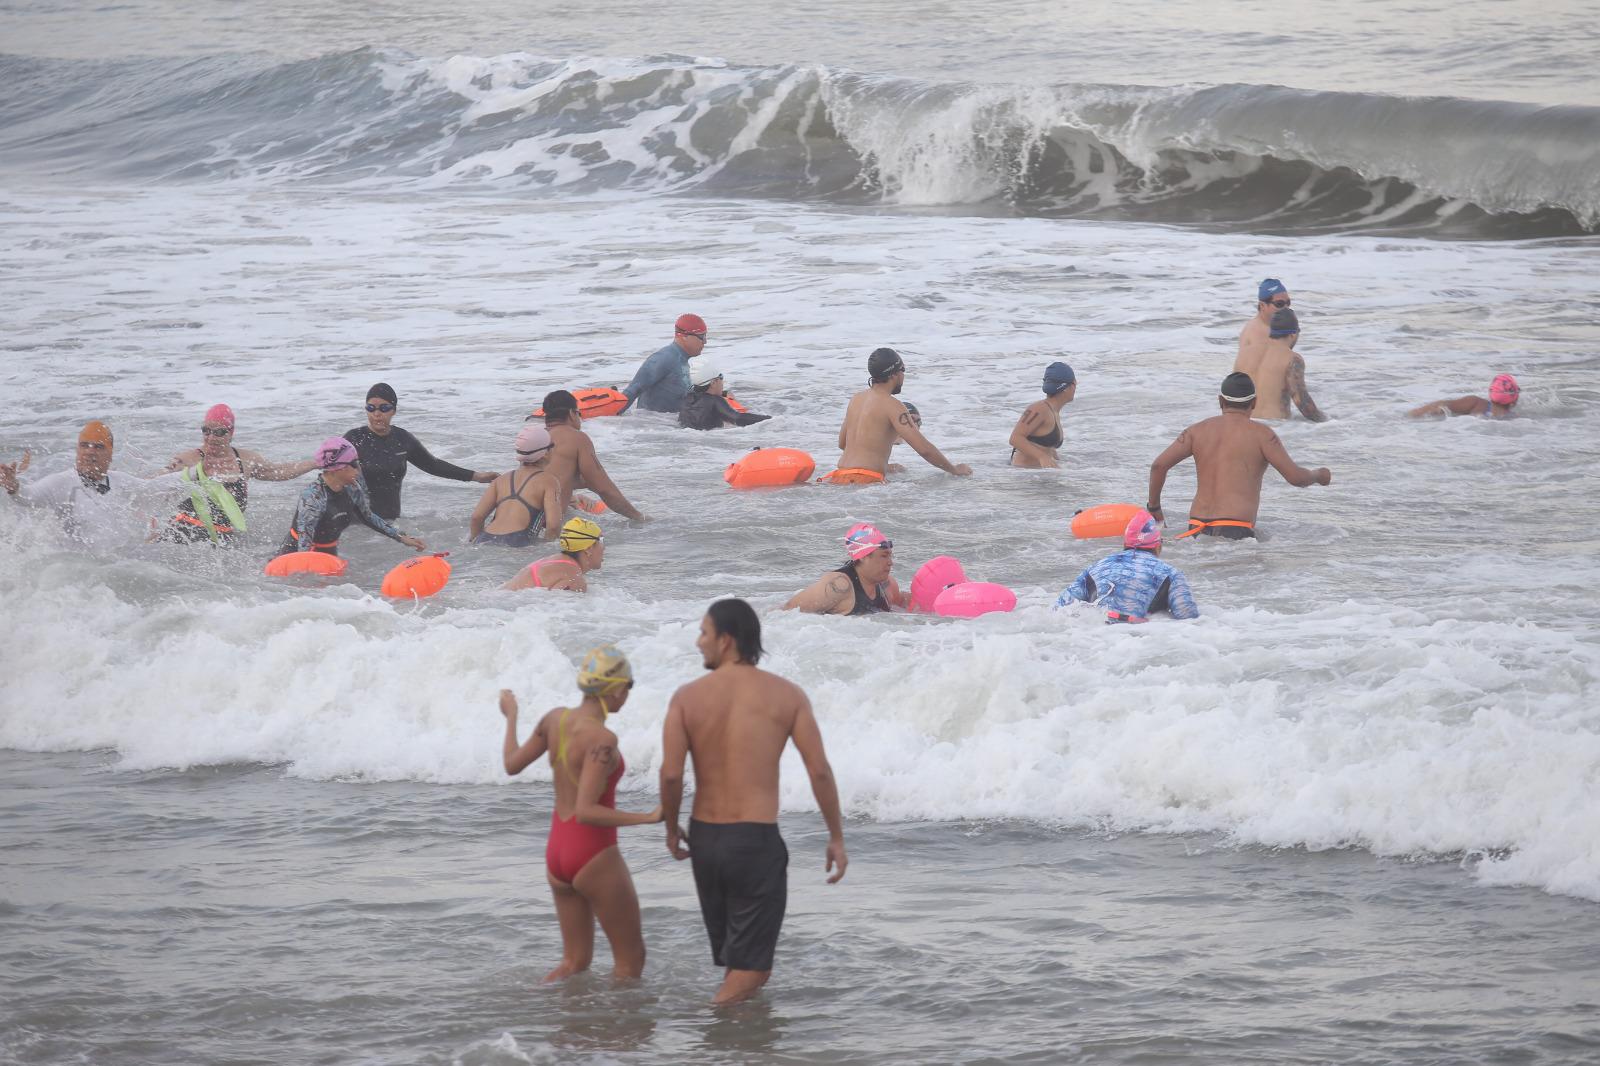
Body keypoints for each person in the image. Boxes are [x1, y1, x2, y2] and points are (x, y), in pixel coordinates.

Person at [659, 599, 847, 1005]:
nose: (698, 643)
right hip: (754, 841)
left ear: (726, 641)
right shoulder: (786, 696)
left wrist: (672, 828)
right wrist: (836, 836)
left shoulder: (687, 698)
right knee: (754, 968)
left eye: (704, 633)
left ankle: (734, 1046)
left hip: (706, 841)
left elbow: (671, 774)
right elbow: (819, 771)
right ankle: (708, 1029)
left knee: (738, 957)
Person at [500, 645, 662, 981]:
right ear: (616, 689)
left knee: (574, 962)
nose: (628, 693)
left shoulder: (554, 719)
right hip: (593, 853)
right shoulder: (602, 739)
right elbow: (587, 811)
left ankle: (557, 1029)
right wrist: (647, 817)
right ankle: (623, 1035)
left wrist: (512, 715)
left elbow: (511, 764)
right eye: (629, 686)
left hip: (557, 852)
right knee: (631, 962)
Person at [1147, 372, 1332, 540]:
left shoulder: (1196, 431)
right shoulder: (1262, 435)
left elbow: (1159, 466)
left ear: (1220, 401)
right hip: (1236, 530)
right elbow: (1296, 478)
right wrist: (1318, 475)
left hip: (1195, 529)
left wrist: (1154, 508)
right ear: (1254, 403)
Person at [1, 420, 189, 548]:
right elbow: (29, 496)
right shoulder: (61, 482)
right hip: (76, 570)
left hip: (114, 565)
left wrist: (197, 473)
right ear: (77, 450)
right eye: (84, 445)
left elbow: (153, 487)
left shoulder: (119, 480)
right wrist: (13, 486)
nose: (90, 452)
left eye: (98, 447)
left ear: (110, 454)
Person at [158, 403, 317, 544]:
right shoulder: (189, 458)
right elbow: (155, 484)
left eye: (219, 432)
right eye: (206, 431)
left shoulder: (246, 459)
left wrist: (314, 464)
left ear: (231, 432)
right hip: (183, 533)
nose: (211, 437)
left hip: (222, 536)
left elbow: (278, 471)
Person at [344, 383, 497, 521]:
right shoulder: (353, 439)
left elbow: (433, 465)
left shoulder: (402, 439)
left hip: (390, 523)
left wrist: (476, 476)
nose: (377, 413)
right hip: (355, 525)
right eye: (371, 408)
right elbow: (330, 475)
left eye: (384, 408)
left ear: (394, 411)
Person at [825, 348, 971, 483]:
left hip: (839, 476)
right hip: (866, 481)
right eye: (903, 370)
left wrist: (881, 464)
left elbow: (843, 444)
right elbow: (924, 449)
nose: (903, 376)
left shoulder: (855, 399)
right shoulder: (893, 406)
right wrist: (954, 470)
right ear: (894, 374)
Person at [276, 436, 428, 556]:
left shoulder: (352, 487)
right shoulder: (313, 498)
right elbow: (304, 548)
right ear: (337, 469)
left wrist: (401, 537)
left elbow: (367, 516)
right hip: (293, 557)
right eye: (354, 464)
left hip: (328, 554)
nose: (359, 468)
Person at [1055, 509, 1198, 623]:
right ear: (1158, 546)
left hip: (1095, 634)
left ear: (1125, 544)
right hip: (1139, 637)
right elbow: (1188, 618)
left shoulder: (1097, 567)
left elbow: (1060, 607)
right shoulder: (1170, 573)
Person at [539, 391, 648, 521]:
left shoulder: (534, 439)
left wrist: (571, 495)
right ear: (571, 414)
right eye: (579, 414)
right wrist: (639, 518)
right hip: (549, 525)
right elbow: (605, 489)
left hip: (520, 518)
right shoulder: (576, 438)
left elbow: (547, 477)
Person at [470, 424, 563, 546]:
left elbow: (477, 517)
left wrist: (474, 541)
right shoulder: (549, 481)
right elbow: (554, 526)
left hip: (485, 538)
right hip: (516, 541)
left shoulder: (501, 480)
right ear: (545, 453)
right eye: (552, 446)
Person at [782, 522, 905, 615]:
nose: (890, 563)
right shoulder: (838, 586)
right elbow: (785, 613)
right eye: (884, 556)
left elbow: (906, 606)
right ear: (863, 556)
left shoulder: (888, 585)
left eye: (890, 555)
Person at [1231, 308, 1327, 422]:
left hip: (1244, 423)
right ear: (1293, 334)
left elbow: (1231, 395)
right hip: (1277, 428)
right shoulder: (1292, 359)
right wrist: (1329, 421)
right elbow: (1303, 404)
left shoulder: (1244, 353)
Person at [620, 313, 707, 413]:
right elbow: (633, 390)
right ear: (684, 336)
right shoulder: (664, 358)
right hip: (649, 425)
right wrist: (608, 421)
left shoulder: (682, 361)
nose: (705, 342)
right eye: (701, 336)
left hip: (667, 425)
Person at [501, 516, 605, 591]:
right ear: (588, 548)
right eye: (601, 540)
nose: (604, 547)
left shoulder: (554, 561)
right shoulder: (574, 579)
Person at [1009, 361, 1076, 467]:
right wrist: (1042, 457)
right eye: (1074, 382)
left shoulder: (1053, 411)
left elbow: (1043, 445)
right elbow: (1015, 438)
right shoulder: (1039, 409)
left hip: (1039, 474)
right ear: (1067, 387)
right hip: (1023, 476)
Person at [678, 356, 771, 430]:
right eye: (721, 377)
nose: (722, 381)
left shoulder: (687, 399)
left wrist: (723, 393)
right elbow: (737, 418)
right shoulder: (715, 401)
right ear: (713, 382)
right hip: (708, 439)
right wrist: (770, 419)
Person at [1408, 373, 1521, 419]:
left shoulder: (1477, 403)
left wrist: (1414, 413)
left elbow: (1441, 406)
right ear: (1514, 400)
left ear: (1491, 393)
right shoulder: (1514, 418)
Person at [1238, 277, 1291, 367]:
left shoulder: (1267, 327)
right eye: (1279, 304)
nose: (1286, 308)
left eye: (1288, 303)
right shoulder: (1259, 332)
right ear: (1262, 305)